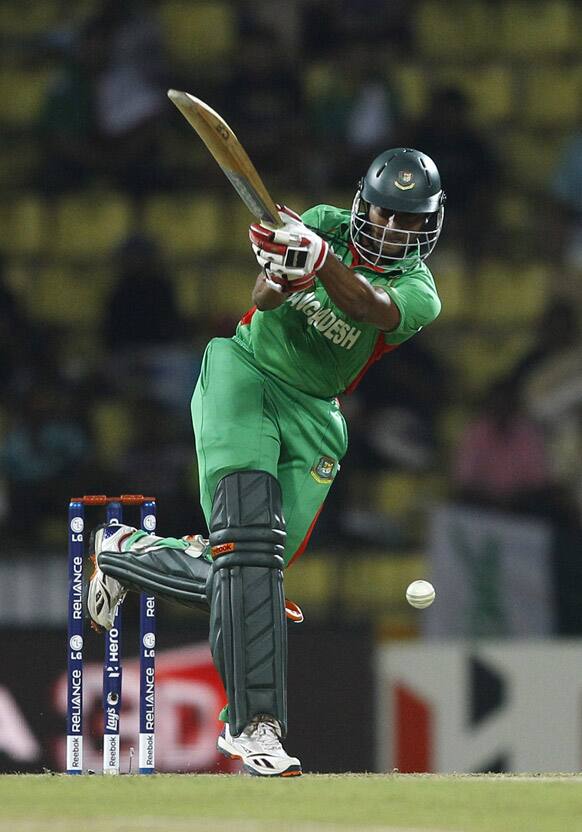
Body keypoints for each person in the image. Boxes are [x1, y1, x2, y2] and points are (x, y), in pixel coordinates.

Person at [86, 147, 445, 776]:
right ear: (362, 205)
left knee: (251, 577)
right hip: (246, 374)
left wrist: (320, 261)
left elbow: (366, 308)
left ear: (429, 227)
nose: (391, 230)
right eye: (384, 214)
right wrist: (280, 275)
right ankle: (256, 728)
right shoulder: (326, 222)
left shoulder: (419, 292)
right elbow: (265, 298)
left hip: (316, 418)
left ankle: (127, 553)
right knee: (250, 554)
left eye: (408, 222)